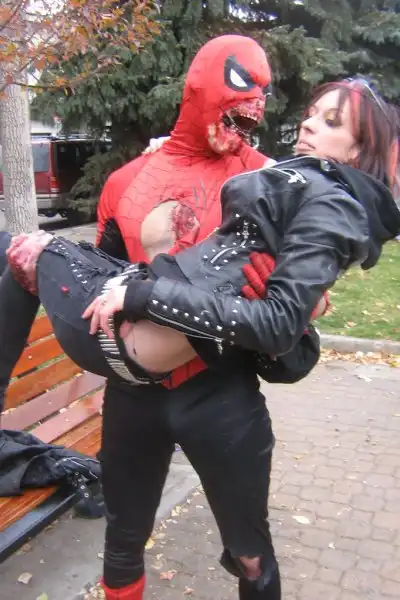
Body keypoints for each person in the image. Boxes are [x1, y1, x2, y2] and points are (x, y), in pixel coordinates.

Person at [1, 76, 400, 600]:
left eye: (260, 93)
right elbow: (107, 274)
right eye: (237, 88)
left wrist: (299, 318)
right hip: (135, 395)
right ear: (198, 92)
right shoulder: (132, 178)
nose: (257, 105)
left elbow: (287, 327)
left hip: (220, 395)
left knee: (251, 553)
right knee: (122, 541)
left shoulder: (273, 177)